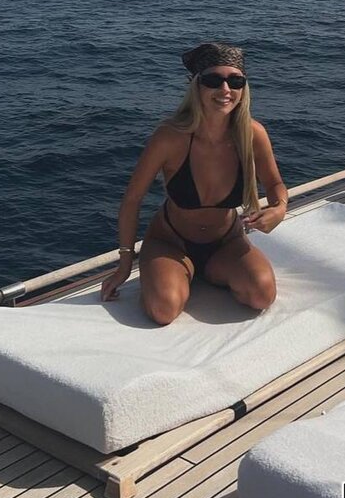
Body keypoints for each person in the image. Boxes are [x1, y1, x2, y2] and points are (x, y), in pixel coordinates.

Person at [100, 42, 288, 324]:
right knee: (163, 310)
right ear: (196, 86)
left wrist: (280, 208)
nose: (225, 89)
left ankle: (202, 274)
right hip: (170, 242)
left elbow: (275, 184)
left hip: (226, 243)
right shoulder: (170, 136)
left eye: (235, 81)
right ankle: (172, 276)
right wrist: (124, 265)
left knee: (262, 295)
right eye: (213, 80)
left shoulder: (252, 134)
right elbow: (132, 200)